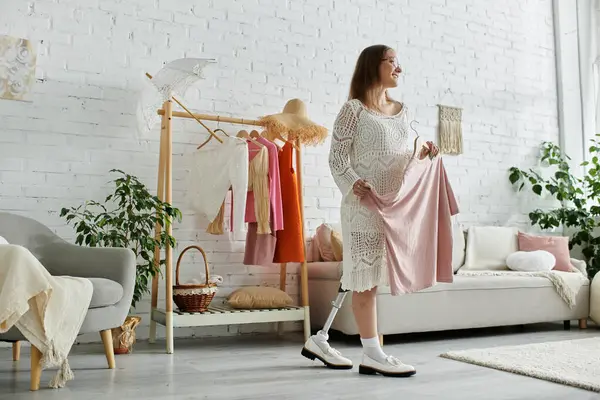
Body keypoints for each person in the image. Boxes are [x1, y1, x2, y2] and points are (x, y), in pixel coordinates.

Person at [302, 45, 439, 377]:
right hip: (362, 207)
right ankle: (373, 354)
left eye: (398, 62)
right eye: (391, 61)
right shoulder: (354, 110)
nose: (398, 68)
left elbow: (402, 157)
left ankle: (320, 340)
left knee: (365, 277)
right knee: (365, 282)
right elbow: (337, 159)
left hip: (392, 209)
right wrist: (353, 182)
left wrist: (424, 154)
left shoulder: (403, 112)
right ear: (372, 65)